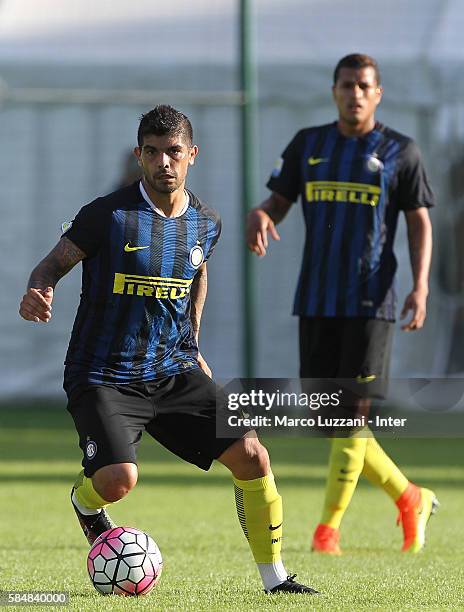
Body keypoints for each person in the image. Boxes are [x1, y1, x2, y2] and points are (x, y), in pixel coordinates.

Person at [19, 105, 318, 594]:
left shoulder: (206, 224)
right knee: (118, 480)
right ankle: (85, 500)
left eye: (174, 152)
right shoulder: (107, 216)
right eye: (153, 152)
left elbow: (196, 276)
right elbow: (51, 264)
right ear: (139, 155)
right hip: (104, 374)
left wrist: (192, 340)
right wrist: (39, 288)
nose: (164, 163)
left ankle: (276, 579)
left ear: (191, 155)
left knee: (252, 455)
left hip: (174, 369)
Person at [246, 54, 439, 555]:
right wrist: (262, 214)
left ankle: (326, 530)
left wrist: (420, 286)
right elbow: (278, 202)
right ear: (333, 91)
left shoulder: (400, 150)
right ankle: (409, 495)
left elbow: (420, 221)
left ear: (378, 94)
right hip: (315, 299)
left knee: (352, 417)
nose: (355, 93)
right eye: (347, 85)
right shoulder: (308, 145)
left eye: (364, 86)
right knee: (330, 421)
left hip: (371, 301)